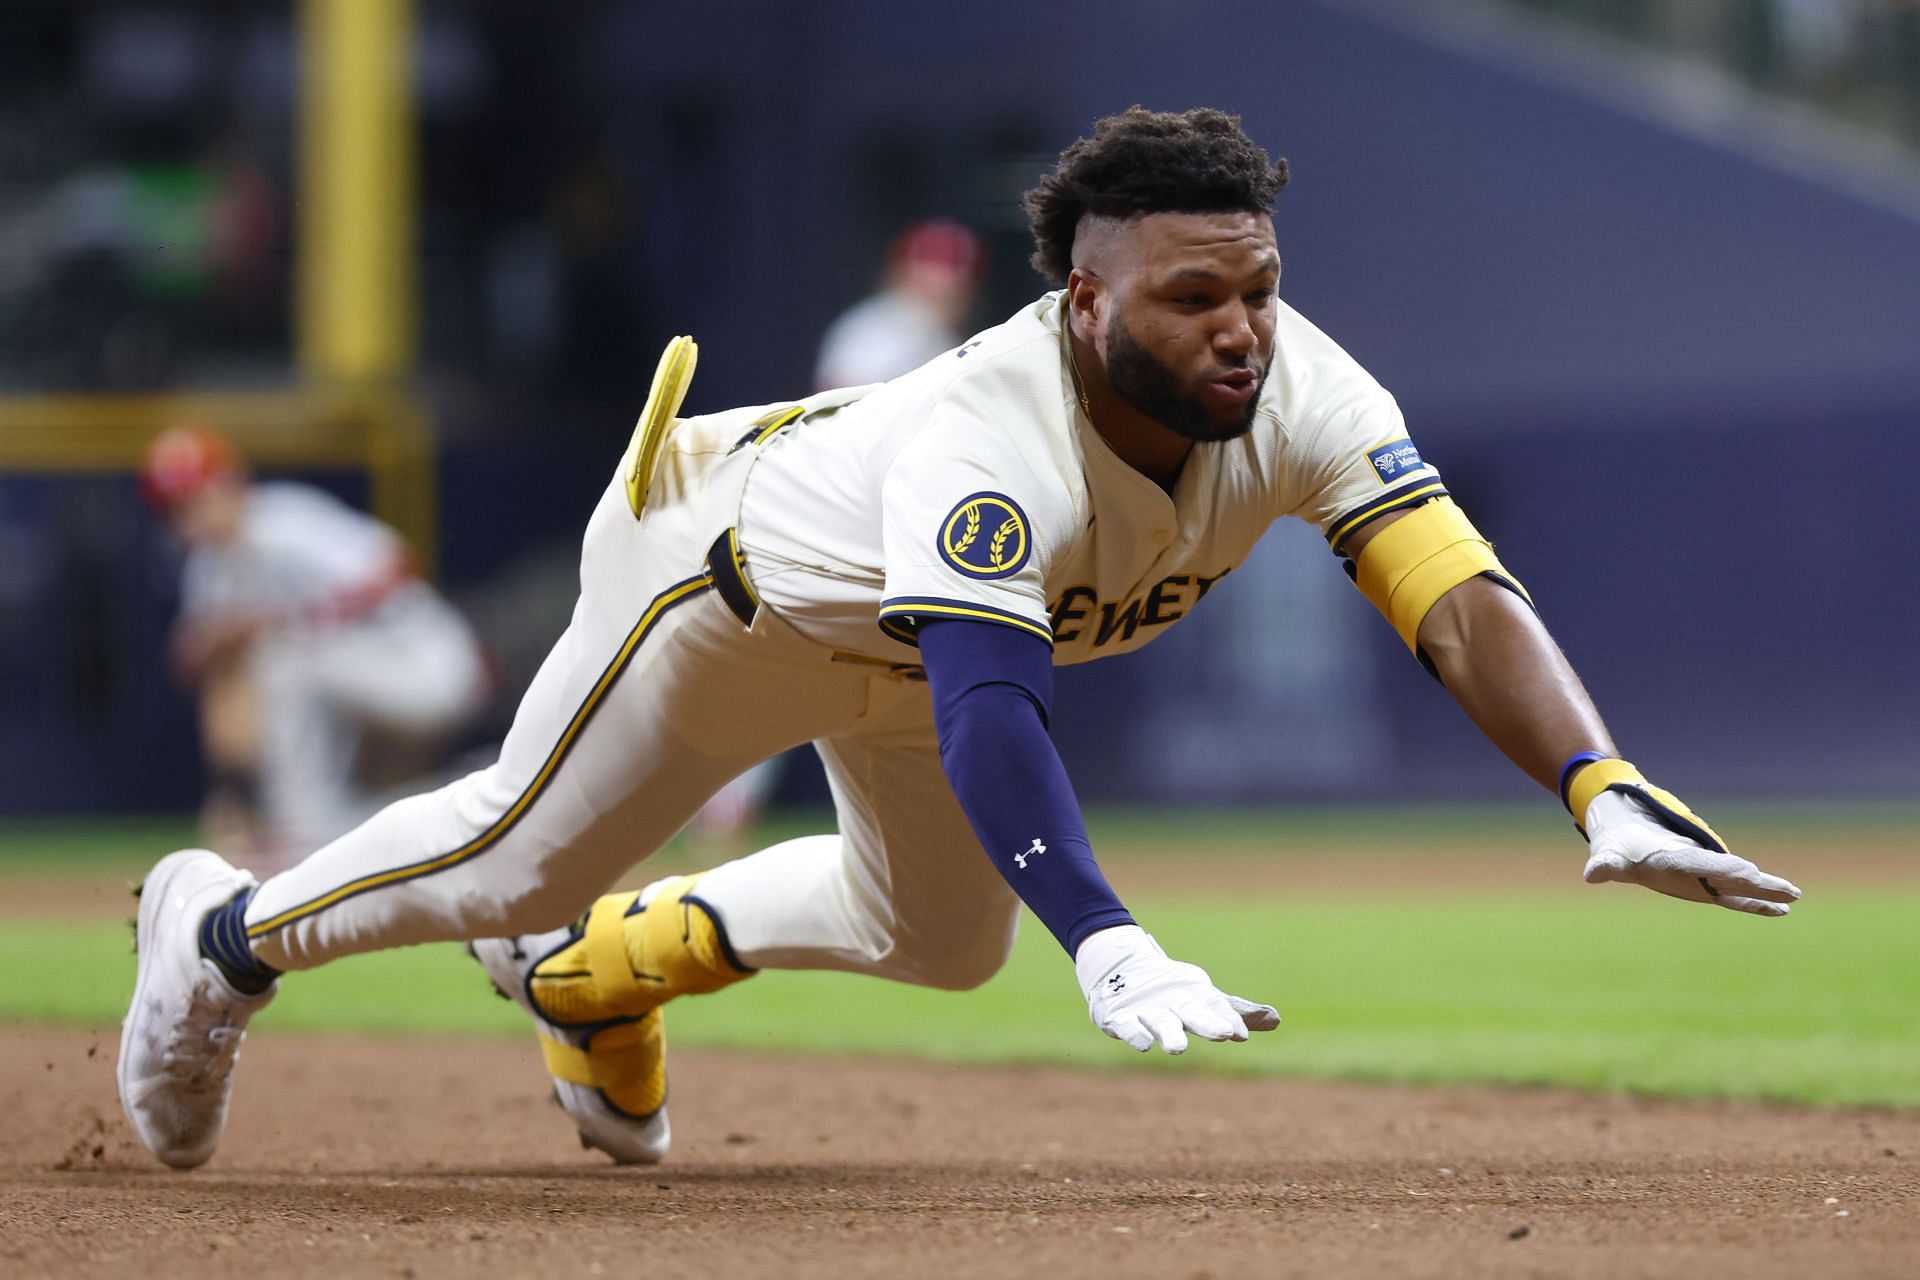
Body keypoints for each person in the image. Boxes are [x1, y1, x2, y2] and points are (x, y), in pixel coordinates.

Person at [118, 108, 1801, 1172]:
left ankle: (594, 976)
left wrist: (1600, 782)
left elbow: (1453, 588)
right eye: (1187, 296)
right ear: (1084, 302)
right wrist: (1109, 936)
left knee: (932, 940)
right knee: (501, 857)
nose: (1237, 328)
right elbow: (993, 706)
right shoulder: (994, 433)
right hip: (724, 593)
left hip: (912, 639)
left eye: (1257, 285)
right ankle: (223, 939)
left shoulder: (1302, 385)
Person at [140, 424, 491, 871]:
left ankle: (301, 831)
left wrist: (286, 621)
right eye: (174, 512)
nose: (191, 520)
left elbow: (395, 566)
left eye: (197, 499)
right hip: (359, 684)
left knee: (286, 660)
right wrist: (230, 791)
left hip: (430, 666)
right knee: (268, 669)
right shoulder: (209, 572)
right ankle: (471, 787)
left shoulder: (282, 523)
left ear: (230, 483)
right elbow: (205, 672)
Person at [812, 217, 985, 391]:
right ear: (899, 274)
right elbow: (839, 403)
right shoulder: (869, 330)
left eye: (955, 287)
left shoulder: (951, 340)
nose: (943, 291)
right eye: (928, 282)